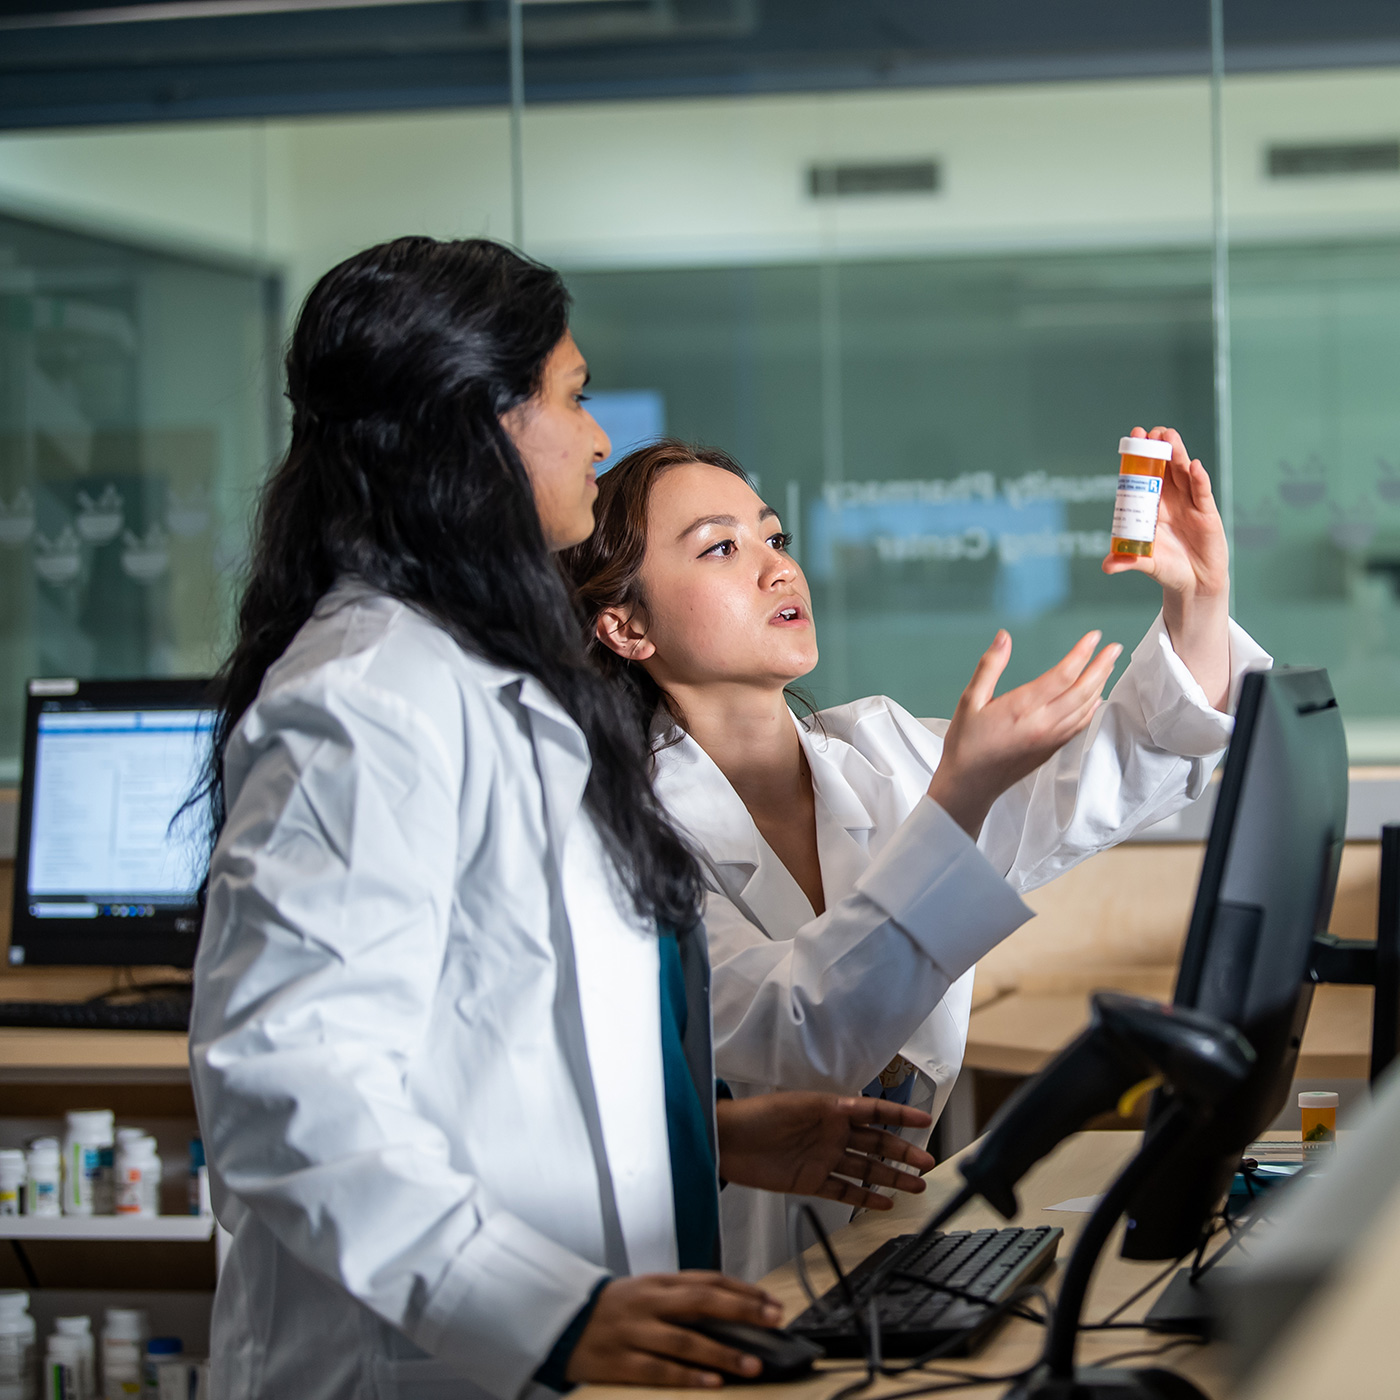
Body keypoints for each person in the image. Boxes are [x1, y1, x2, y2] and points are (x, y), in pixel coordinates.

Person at [188, 238, 938, 1400]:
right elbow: (288, 1082)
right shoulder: (362, 702)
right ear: (479, 425)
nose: (596, 436)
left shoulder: (499, 680)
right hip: (425, 1363)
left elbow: (503, 1040)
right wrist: (539, 1311)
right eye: (572, 396)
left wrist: (717, 1141)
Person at [561, 435, 1272, 1280]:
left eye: (775, 538)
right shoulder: (615, 833)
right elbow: (803, 1036)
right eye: (722, 548)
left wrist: (1199, 596)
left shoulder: (880, 749)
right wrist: (959, 800)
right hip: (724, 1287)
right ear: (626, 625)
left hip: (886, 1258)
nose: (777, 569)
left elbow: (1120, 770)